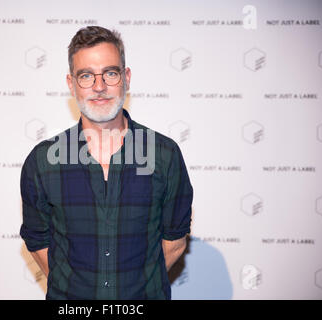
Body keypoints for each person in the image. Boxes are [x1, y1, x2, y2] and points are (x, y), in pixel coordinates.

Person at [20, 26, 193, 300]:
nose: (99, 87)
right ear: (71, 84)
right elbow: (38, 241)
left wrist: (135, 286)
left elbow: (174, 243)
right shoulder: (42, 162)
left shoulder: (164, 155)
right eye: (86, 76)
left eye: (110, 73)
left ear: (126, 78)